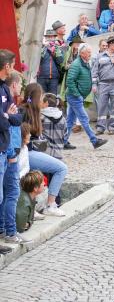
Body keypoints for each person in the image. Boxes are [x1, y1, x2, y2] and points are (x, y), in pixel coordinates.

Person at [19, 84, 67, 217]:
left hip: (30, 152)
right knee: (61, 168)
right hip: (26, 152)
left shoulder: (32, 111)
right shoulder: (25, 112)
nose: (42, 100)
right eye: (40, 97)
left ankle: (35, 207)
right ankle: (51, 205)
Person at [65, 44, 107, 149]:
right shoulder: (76, 64)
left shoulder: (84, 63)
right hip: (74, 96)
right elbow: (70, 81)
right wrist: (78, 95)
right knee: (84, 118)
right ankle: (94, 140)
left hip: (76, 96)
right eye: (88, 52)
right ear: (82, 53)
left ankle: (63, 141)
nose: (90, 54)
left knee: (70, 121)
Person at [0, 71, 25, 245]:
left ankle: (3, 229)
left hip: (9, 151)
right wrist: (12, 156)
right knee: (11, 193)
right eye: (20, 84)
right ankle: (10, 231)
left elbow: (17, 119)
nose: (21, 88)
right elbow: (9, 128)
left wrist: (10, 116)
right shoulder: (8, 101)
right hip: (10, 153)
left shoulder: (10, 104)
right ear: (14, 85)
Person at [92, 36, 114, 135]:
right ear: (111, 45)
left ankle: (112, 126)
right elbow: (94, 72)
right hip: (103, 84)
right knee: (102, 106)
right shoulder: (100, 56)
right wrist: (94, 84)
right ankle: (101, 127)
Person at [40, 93, 66, 160]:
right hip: (59, 155)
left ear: (46, 103)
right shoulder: (63, 119)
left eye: (41, 101)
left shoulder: (41, 117)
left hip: (44, 156)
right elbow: (65, 135)